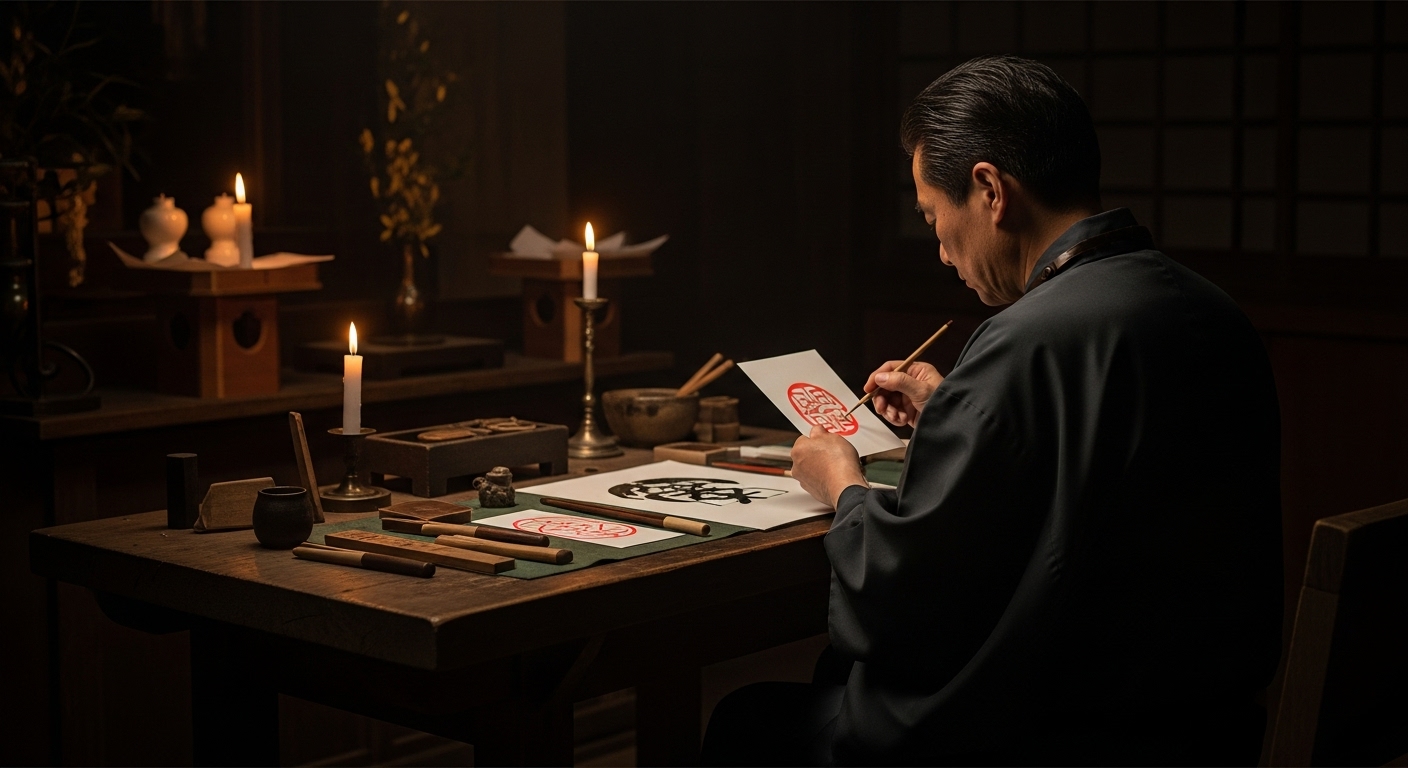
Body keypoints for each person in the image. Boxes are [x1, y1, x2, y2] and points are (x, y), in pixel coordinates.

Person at [702, 55, 1283, 766]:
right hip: (1189, 721)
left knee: (746, 720)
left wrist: (841, 483)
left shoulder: (1027, 336)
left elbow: (905, 600)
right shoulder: (1206, 307)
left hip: (1041, 730)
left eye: (932, 217)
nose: (943, 252)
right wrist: (955, 407)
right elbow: (1106, 478)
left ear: (988, 190)